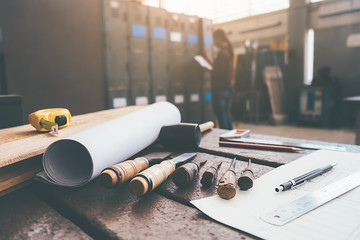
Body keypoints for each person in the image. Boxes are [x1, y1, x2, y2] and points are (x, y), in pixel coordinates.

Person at [209, 29, 234, 130]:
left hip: (221, 89)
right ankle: (231, 137)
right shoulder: (229, 51)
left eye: (214, 39)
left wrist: (210, 64)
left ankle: (225, 137)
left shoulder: (222, 53)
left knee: (221, 115)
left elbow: (218, 71)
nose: (214, 42)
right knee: (226, 114)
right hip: (228, 88)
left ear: (218, 39)